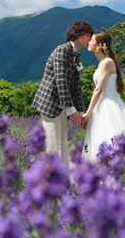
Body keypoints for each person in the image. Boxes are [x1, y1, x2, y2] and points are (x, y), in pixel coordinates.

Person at [32, 21, 93, 166]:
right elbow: (61, 83)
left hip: (62, 105)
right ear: (77, 34)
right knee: (52, 144)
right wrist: (72, 112)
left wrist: (80, 112)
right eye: (87, 35)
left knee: (63, 144)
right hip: (50, 103)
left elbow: (76, 87)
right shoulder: (62, 51)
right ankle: (49, 183)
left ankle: (63, 181)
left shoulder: (75, 55)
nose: (90, 39)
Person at [80, 31, 125, 163]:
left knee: (110, 139)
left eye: (92, 40)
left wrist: (88, 113)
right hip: (102, 105)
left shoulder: (107, 62)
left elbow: (98, 90)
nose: (89, 42)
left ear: (99, 46)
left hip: (108, 104)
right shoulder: (102, 63)